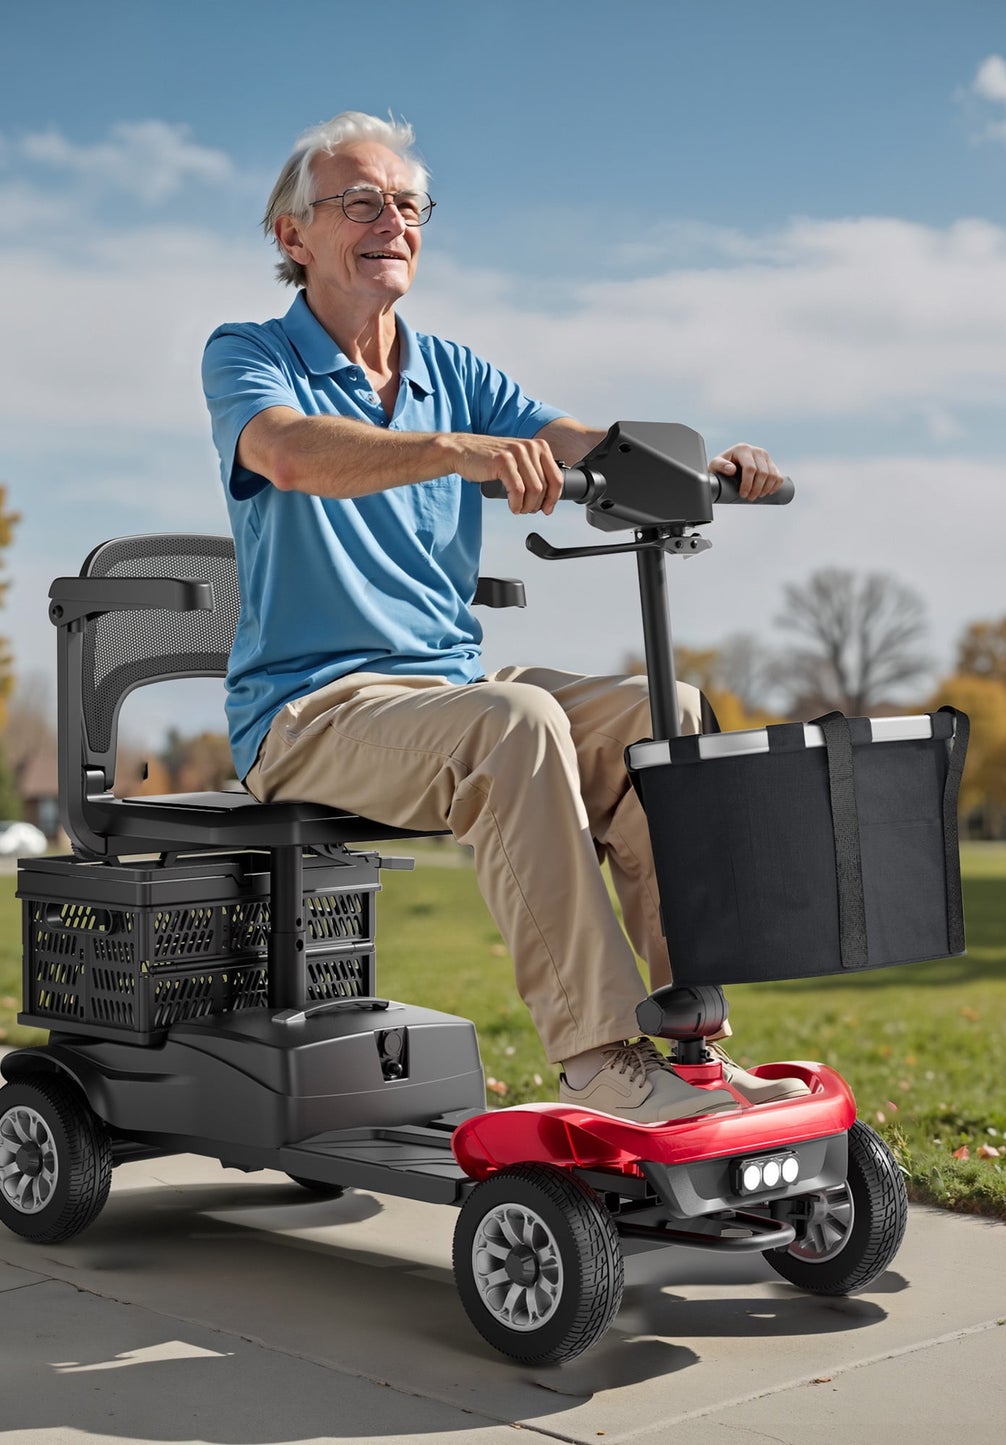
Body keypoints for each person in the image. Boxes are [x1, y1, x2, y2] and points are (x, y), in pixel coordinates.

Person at [202, 112, 805, 1123]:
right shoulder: (248, 353)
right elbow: (291, 452)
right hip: (310, 713)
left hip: (443, 692)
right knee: (513, 723)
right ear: (291, 236)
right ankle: (597, 1056)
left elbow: (579, 442)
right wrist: (457, 451)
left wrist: (704, 465)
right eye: (356, 201)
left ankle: (687, 1042)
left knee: (666, 710)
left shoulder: (451, 368)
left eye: (404, 204)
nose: (387, 221)